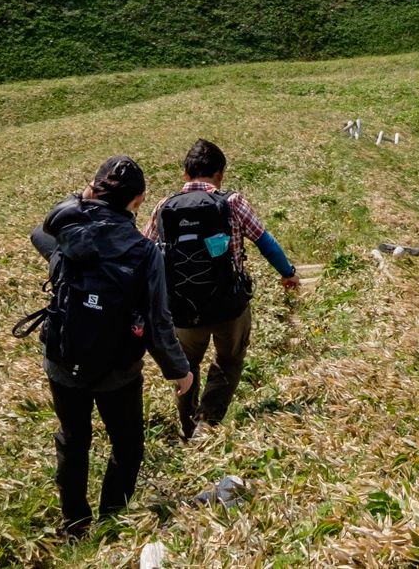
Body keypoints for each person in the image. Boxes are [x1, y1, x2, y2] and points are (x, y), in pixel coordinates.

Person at [25, 156, 193, 539]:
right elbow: (157, 323)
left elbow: (40, 231)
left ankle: (75, 524)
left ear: (94, 189)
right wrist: (179, 370)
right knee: (128, 445)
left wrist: (81, 199)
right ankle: (112, 520)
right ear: (139, 200)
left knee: (73, 439)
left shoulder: (68, 233)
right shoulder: (145, 253)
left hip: (64, 359)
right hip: (118, 371)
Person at [144, 138, 301, 441]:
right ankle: (207, 422)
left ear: (185, 173)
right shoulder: (232, 202)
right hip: (229, 306)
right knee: (229, 360)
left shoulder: (164, 207)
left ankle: (188, 426)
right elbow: (265, 242)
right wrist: (288, 273)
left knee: (186, 366)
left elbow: (144, 253)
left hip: (182, 309)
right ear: (220, 174)